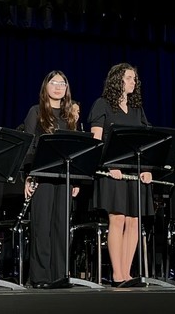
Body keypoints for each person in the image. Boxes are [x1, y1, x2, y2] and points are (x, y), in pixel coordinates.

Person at [88, 63, 153, 286]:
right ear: (117, 80)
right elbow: (96, 141)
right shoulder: (102, 104)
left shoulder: (137, 109)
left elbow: (146, 141)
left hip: (134, 172)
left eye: (135, 78)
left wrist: (146, 169)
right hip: (112, 171)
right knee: (117, 220)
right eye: (128, 78)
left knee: (134, 221)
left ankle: (127, 273)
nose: (133, 82)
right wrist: (108, 166)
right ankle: (117, 274)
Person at [22, 71, 80, 288]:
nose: (58, 87)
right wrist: (29, 176)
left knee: (61, 227)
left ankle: (59, 275)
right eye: (53, 83)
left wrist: (74, 180)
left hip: (64, 177)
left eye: (62, 83)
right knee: (42, 226)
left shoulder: (70, 116)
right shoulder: (35, 112)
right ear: (45, 87)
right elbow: (29, 146)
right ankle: (40, 277)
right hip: (42, 176)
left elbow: (75, 150)